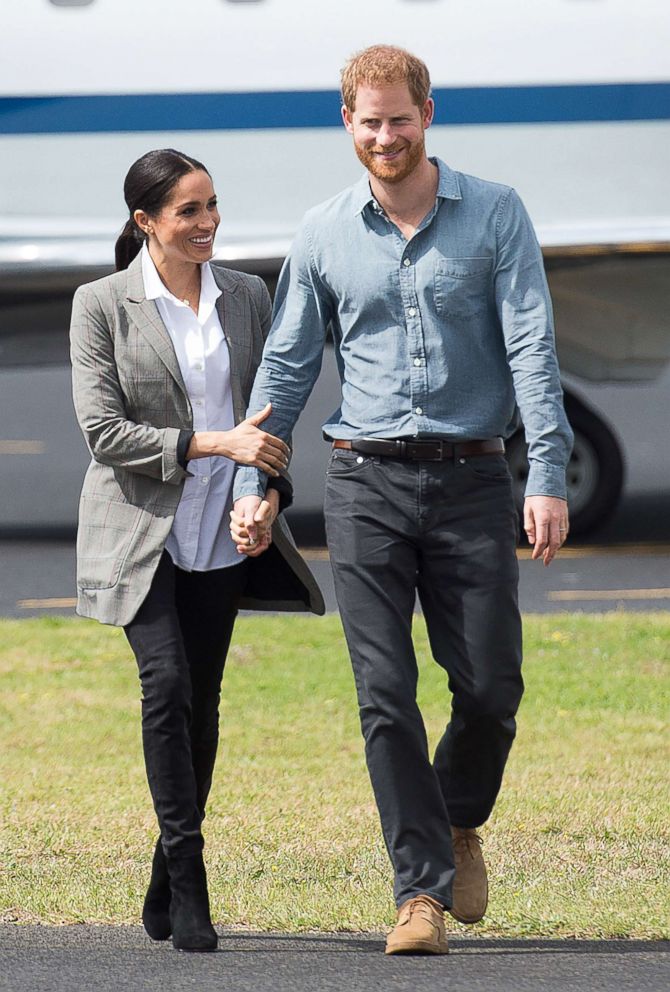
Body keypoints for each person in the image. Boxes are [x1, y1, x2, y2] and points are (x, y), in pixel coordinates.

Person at [231, 46, 573, 955]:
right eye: (368, 121)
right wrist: (255, 478)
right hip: (364, 482)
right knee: (385, 693)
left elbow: (533, 348)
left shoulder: (496, 213)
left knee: (492, 686)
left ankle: (460, 818)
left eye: (399, 118)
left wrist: (545, 473)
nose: (385, 136)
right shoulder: (322, 232)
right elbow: (289, 366)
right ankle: (418, 893)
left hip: (470, 479)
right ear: (347, 124)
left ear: (428, 114)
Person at [69, 148, 324, 952]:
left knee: (201, 707)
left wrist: (265, 495)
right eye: (188, 210)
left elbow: (272, 422)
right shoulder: (100, 304)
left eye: (212, 204)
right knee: (166, 684)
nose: (208, 221)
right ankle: (190, 874)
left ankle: (161, 878)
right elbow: (104, 432)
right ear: (146, 221)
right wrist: (216, 444)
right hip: (139, 534)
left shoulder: (248, 295)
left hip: (223, 533)